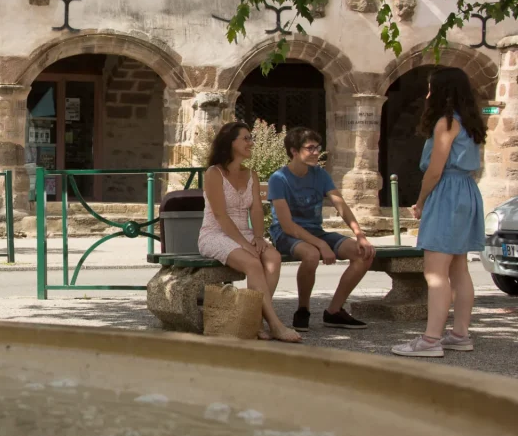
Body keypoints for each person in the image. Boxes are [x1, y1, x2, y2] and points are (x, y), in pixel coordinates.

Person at [392, 67, 486, 358]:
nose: (428, 93)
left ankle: (431, 340)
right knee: (459, 268)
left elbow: (435, 169)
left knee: (435, 271)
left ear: (443, 92)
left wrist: (420, 201)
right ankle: (459, 334)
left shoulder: (446, 123)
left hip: (447, 192)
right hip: (467, 190)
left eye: (432, 88)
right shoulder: (471, 122)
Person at [198, 121, 301, 342]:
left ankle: (254, 321)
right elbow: (220, 216)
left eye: (251, 138)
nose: (251, 143)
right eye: (246, 138)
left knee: (272, 257)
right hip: (215, 234)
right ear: (230, 142)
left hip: (244, 234)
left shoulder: (251, 174)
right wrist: (244, 245)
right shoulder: (213, 173)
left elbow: (256, 209)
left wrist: (257, 237)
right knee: (253, 263)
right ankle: (275, 324)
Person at [267, 127, 376, 332]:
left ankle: (334, 311)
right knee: (311, 255)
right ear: (294, 151)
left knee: (365, 254)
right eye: (310, 148)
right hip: (286, 234)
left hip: (316, 232)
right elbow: (287, 225)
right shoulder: (279, 178)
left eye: (318, 147)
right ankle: (303, 310)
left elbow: (340, 204)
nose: (317, 152)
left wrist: (360, 235)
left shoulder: (320, 174)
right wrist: (320, 244)